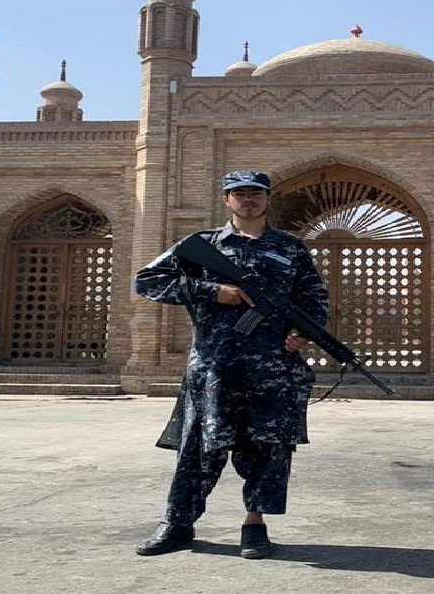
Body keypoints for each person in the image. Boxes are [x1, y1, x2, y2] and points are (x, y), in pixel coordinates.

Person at [132, 170, 329, 559]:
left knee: (268, 449)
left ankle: (254, 525)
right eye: (239, 193)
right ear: (226, 200)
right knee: (197, 448)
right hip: (214, 369)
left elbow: (314, 300)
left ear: (267, 199)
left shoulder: (290, 248)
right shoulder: (203, 245)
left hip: (273, 370)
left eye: (256, 193)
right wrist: (212, 291)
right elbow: (147, 281)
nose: (248, 200)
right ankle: (177, 524)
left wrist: (302, 332)